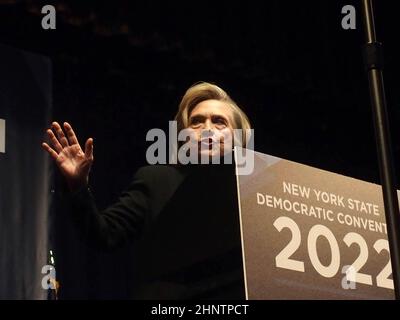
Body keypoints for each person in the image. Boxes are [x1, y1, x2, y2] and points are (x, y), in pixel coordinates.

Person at [42, 82, 252, 299]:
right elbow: (103, 234)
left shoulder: (254, 191)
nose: (207, 129)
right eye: (196, 122)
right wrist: (77, 186)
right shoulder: (156, 180)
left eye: (219, 122)